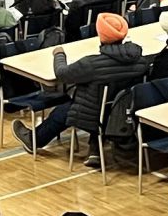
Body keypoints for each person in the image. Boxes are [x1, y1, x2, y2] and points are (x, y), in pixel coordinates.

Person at [17, 12, 151, 157]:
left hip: (93, 114)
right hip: (122, 112)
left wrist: (59, 54)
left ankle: (34, 140)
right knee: (95, 100)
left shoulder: (91, 64)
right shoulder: (140, 60)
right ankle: (95, 150)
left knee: (62, 112)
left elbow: (61, 73)